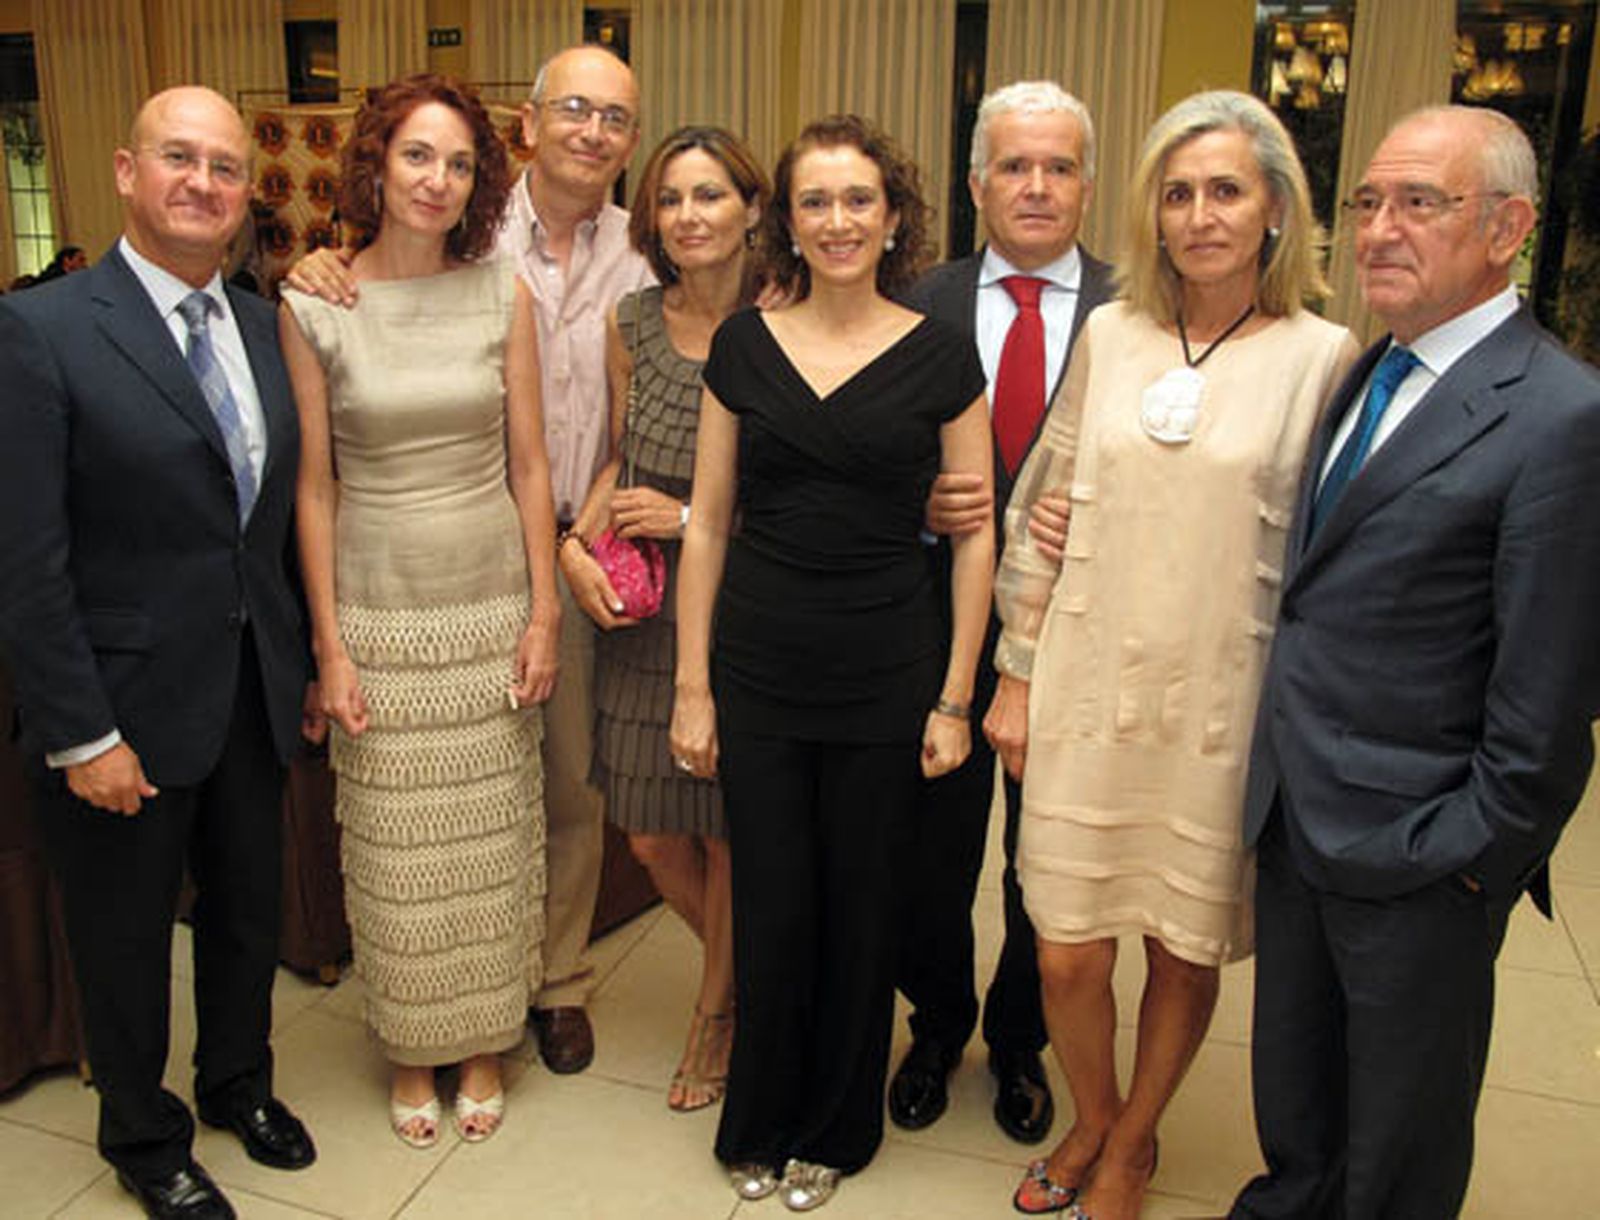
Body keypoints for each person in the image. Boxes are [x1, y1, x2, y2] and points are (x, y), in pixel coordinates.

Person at [986, 91, 1357, 1220]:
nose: (1200, 215)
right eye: (1180, 193)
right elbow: (1042, 498)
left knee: (1180, 943)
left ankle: (1129, 1141)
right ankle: (1090, 1109)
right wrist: (1015, 664)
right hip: (1088, 684)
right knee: (1064, 949)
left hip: (1220, 699)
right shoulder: (1111, 332)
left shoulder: (1323, 355)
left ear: (1275, 212)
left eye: (1227, 191)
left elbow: (1334, 548)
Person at [1227, 105, 1600, 1220]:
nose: (1380, 230)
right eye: (1368, 203)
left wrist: (1459, 863)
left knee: (1396, 1148)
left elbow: (1548, 704)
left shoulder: (1560, 415)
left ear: (1507, 227)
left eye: (1418, 203)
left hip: (1421, 858)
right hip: (1299, 822)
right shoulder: (1371, 367)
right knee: (1298, 1112)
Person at [285, 43, 652, 1076]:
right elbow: (321, 467)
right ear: (529, 124)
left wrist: (558, 581)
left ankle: (549, 986)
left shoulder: (648, 246)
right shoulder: (462, 239)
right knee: (411, 832)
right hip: (404, 583)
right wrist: (314, 263)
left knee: (558, 794)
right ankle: (425, 1020)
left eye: (615, 117)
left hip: (568, 552)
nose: (592, 130)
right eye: (572, 107)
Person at [0, 86, 317, 1220]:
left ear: (244, 196)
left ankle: (238, 1080)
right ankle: (143, 1131)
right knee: (126, 939)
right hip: (119, 706)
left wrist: (302, 665)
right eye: (178, 159)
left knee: (244, 912)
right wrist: (81, 731)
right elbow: (26, 559)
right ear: (128, 172)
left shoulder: (263, 321)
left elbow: (268, 522)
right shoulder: (41, 330)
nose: (202, 182)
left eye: (225, 167)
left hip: (247, 689)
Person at [672, 114, 995, 1211]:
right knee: (773, 900)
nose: (839, 219)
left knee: (862, 902)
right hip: (757, 664)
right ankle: (758, 1111)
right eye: (816, 201)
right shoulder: (742, 348)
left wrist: (955, 694)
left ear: (894, 216)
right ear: (788, 223)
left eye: (859, 198)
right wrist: (692, 685)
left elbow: (975, 530)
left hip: (888, 670)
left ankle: (837, 1123)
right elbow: (707, 523)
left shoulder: (942, 351)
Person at [281, 74, 559, 1148]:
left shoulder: (502, 295)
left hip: (489, 602)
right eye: (416, 156)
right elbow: (316, 485)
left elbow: (532, 465)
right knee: (396, 855)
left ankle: (484, 1034)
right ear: (376, 164)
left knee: (490, 846)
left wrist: (542, 615)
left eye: (457, 162)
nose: (436, 180)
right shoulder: (314, 301)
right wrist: (330, 645)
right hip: (380, 611)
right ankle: (411, 1043)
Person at [891, 79, 1115, 1146]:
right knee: (931, 850)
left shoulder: (1139, 314)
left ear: (1085, 183)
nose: (1036, 187)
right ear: (976, 182)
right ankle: (935, 1025)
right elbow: (854, 454)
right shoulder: (915, 302)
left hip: (1077, 634)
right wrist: (916, 500)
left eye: (1057, 166)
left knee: (1047, 857)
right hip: (935, 627)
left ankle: (1021, 1037)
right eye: (1014, 167)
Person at [562, 126, 768, 1113]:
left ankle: (717, 1013)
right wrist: (574, 542)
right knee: (647, 830)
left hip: (750, 604)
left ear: (750, 209)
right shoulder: (632, 321)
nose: (690, 215)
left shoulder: (789, 320)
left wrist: (693, 519)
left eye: (711, 195)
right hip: (644, 615)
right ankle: (756, 965)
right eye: (672, 200)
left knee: (732, 832)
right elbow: (615, 455)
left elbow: (810, 485)